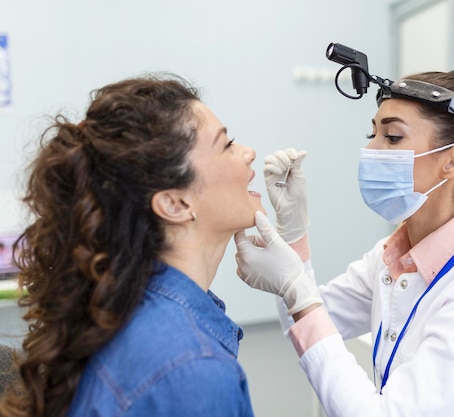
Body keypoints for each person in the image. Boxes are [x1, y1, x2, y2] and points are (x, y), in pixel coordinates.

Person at [235, 61, 454, 416]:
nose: (371, 150)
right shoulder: (396, 255)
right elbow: (311, 318)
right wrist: (294, 235)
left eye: (392, 137)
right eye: (371, 134)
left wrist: (296, 286)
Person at [0, 74, 262, 417]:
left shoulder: (120, 306)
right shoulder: (191, 369)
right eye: (227, 145)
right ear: (175, 204)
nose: (249, 154)